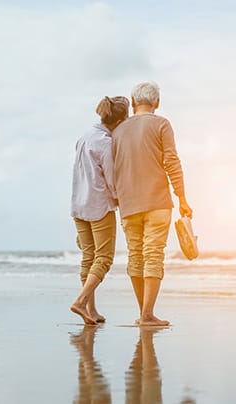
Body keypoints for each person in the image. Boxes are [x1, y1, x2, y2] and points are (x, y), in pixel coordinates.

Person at [112, 81, 192, 327]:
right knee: (153, 255)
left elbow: (112, 168)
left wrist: (116, 197)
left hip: (128, 204)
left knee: (136, 256)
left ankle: (143, 313)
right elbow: (172, 162)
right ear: (157, 103)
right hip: (158, 202)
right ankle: (147, 315)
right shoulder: (161, 124)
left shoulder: (117, 131)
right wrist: (182, 198)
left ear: (133, 102)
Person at [70, 96, 130, 325]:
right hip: (98, 205)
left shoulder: (84, 137)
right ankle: (80, 301)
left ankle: (90, 311)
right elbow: (112, 179)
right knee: (103, 258)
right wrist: (121, 201)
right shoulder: (105, 142)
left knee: (88, 257)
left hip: (78, 204)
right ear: (121, 120)